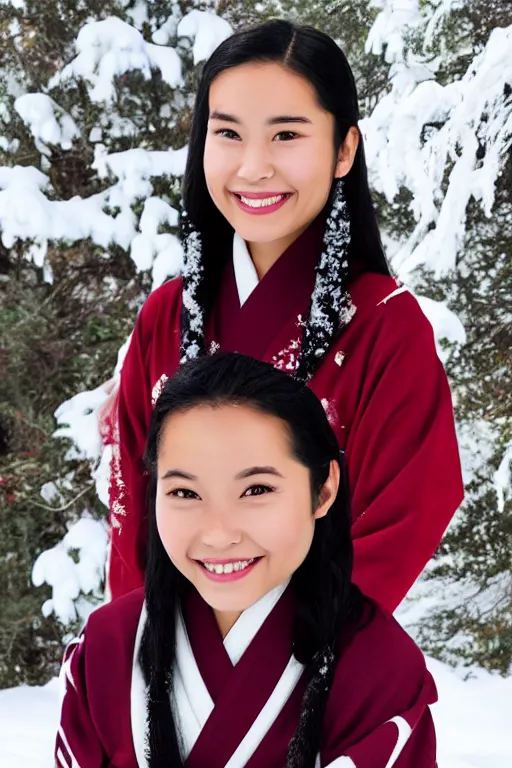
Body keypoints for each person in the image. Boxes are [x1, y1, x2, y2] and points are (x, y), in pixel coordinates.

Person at [104, 19, 463, 608]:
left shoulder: (384, 327)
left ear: (344, 148)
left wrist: (266, 671)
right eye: (227, 134)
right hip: (167, 676)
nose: (252, 168)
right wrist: (145, 661)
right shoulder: (165, 316)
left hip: (320, 676)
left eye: (287, 136)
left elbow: (400, 525)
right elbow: (134, 523)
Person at [58, 353, 438, 768]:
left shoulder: (378, 668)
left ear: (323, 489)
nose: (219, 534)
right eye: (185, 493)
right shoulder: (106, 649)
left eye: (256, 490)